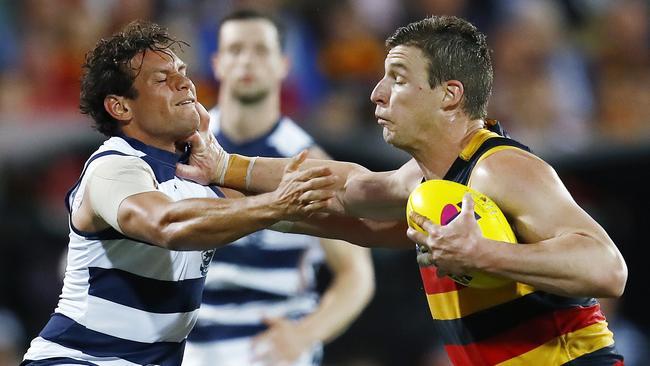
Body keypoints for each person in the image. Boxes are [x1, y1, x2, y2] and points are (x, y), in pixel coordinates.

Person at [177, 16, 628, 365]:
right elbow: (348, 187)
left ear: (449, 95)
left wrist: (484, 255)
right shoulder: (424, 176)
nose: (376, 93)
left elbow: (607, 269)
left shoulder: (500, 168)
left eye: (396, 77)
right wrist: (224, 166)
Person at [20, 21, 337, 366]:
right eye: (161, 79)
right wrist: (276, 204)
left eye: (182, 72)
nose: (184, 82)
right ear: (121, 107)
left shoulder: (199, 171)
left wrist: (396, 205)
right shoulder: (114, 167)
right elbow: (166, 225)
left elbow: (327, 216)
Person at [182, 10, 374, 366]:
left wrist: (305, 334)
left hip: (269, 349)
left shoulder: (309, 163)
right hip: (187, 344)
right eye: (236, 50)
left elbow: (357, 274)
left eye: (260, 50)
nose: (247, 61)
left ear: (284, 64)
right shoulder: (181, 147)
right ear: (217, 63)